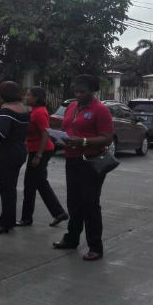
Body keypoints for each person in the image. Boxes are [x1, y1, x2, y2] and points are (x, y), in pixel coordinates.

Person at [53, 74, 114, 261]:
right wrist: (59, 138)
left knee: (90, 205)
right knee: (74, 203)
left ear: (92, 91)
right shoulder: (71, 107)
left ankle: (95, 246)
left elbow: (107, 137)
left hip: (91, 161)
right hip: (72, 160)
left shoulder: (100, 110)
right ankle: (71, 239)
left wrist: (84, 141)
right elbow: (69, 130)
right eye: (76, 90)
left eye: (82, 91)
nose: (78, 94)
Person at [0, 81, 30, 235]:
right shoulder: (23, 109)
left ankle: (4, 223)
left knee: (6, 188)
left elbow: (1, 134)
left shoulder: (6, 111)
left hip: (5, 154)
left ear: (3, 94)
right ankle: (10, 219)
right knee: (10, 187)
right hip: (19, 150)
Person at [17, 87, 68, 227]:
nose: (26, 97)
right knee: (40, 184)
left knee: (30, 186)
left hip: (41, 151)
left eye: (28, 95)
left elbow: (46, 134)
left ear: (36, 98)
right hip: (37, 150)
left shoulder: (39, 112)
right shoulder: (33, 111)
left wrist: (38, 155)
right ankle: (59, 213)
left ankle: (26, 218)